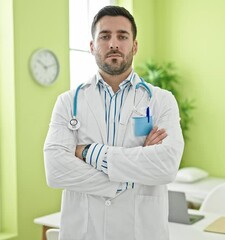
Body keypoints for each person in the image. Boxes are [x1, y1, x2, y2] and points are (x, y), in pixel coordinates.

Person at [44, 6, 184, 240]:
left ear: (135, 46)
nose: (113, 44)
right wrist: (128, 174)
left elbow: (167, 165)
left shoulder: (162, 101)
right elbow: (56, 170)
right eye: (105, 36)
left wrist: (88, 152)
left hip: (142, 231)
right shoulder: (68, 102)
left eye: (122, 36)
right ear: (92, 46)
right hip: (85, 232)